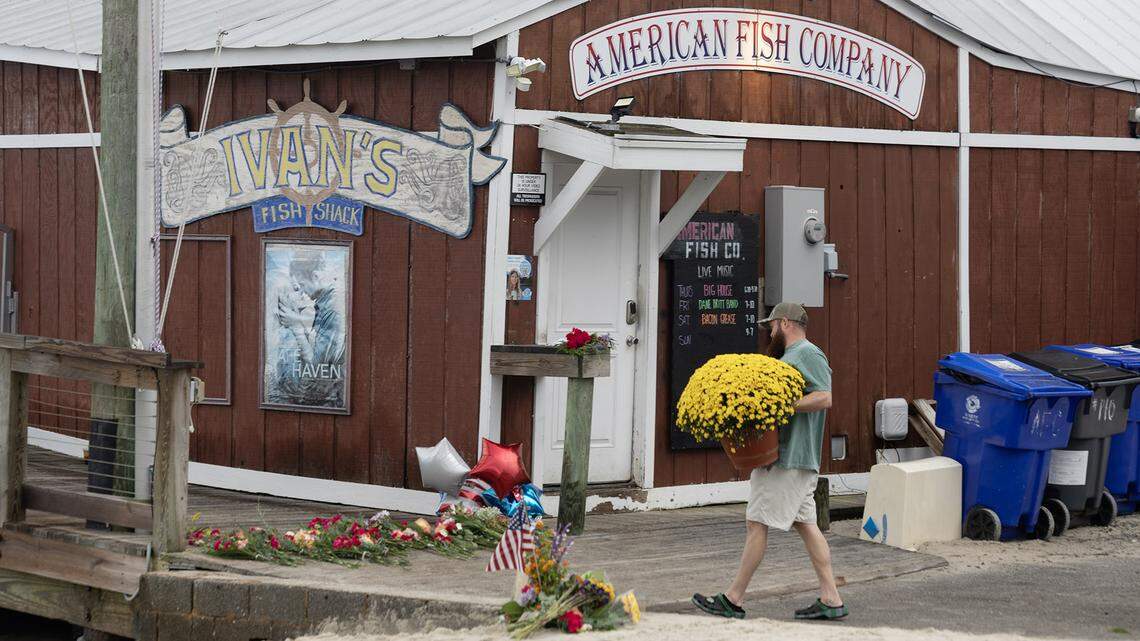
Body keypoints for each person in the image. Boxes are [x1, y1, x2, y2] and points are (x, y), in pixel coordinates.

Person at [692, 302, 847, 621]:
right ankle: (831, 598)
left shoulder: (808, 353)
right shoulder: (789, 357)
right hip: (791, 455)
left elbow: (825, 397)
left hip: (788, 457)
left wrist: (781, 406)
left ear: (786, 323)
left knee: (756, 523)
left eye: (771, 326)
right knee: (807, 526)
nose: (769, 332)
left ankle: (732, 599)